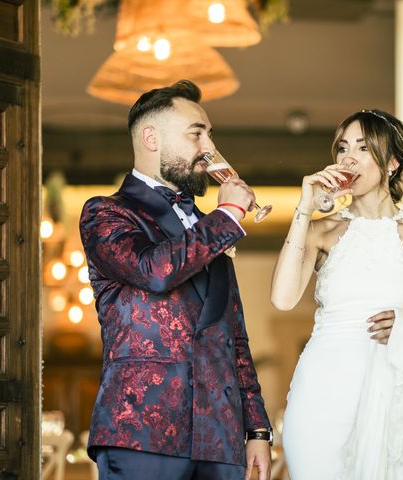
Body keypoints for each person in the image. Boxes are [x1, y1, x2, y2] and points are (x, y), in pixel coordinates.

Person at [271, 109, 403, 479]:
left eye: (364, 148)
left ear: (392, 164)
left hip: (395, 397)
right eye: (342, 148)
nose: (348, 158)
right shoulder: (323, 232)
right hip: (321, 393)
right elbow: (283, 299)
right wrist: (304, 208)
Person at [79, 80, 272, 480]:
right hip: (142, 432)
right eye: (196, 133)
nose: (208, 148)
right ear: (152, 138)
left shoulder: (211, 226)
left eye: (209, 134)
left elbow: (234, 335)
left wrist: (256, 428)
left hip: (220, 437)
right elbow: (155, 271)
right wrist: (229, 215)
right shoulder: (106, 214)